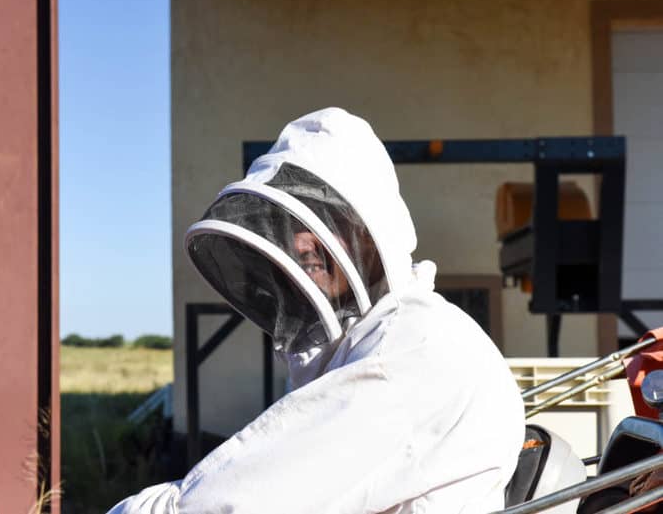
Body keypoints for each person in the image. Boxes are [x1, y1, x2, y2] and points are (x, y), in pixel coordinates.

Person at [109, 107, 525, 513]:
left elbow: (237, 502)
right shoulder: (380, 336)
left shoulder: (412, 346)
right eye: (289, 223)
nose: (302, 242)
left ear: (371, 232)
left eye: (328, 220)